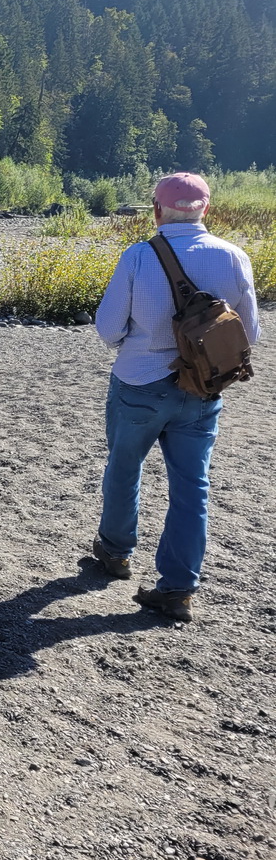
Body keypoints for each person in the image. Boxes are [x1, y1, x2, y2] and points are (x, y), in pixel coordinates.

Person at [90, 173, 260, 622]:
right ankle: (178, 588)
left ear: (157, 210)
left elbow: (108, 330)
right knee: (192, 487)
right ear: (205, 209)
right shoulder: (234, 256)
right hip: (203, 390)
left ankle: (115, 551)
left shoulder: (139, 257)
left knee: (124, 469)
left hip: (140, 384)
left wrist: (142, 335)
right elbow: (250, 334)